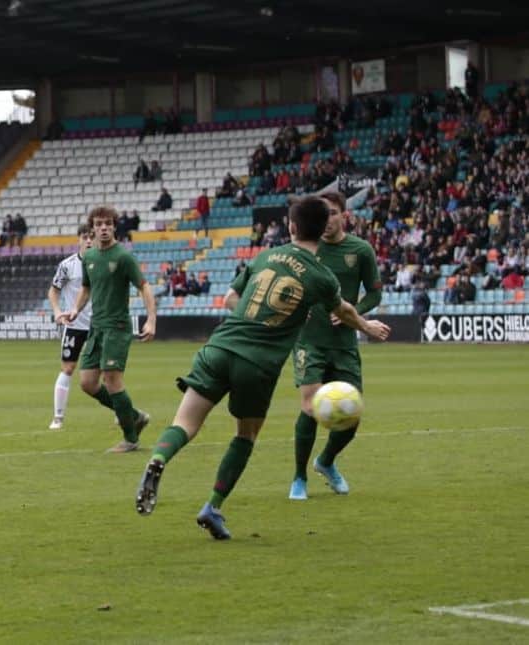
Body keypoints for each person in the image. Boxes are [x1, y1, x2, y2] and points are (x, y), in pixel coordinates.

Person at [134, 196, 390, 539]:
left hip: (219, 347)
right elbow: (343, 310)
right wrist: (367, 326)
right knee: (245, 435)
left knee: (184, 422)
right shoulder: (322, 276)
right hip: (257, 365)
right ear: (321, 228)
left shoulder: (265, 255)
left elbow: (229, 300)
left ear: (291, 227)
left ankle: (159, 460)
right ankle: (213, 506)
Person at [287, 192, 382, 501]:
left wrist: (352, 310)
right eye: (322, 214)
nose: (326, 220)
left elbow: (375, 294)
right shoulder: (305, 250)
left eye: (331, 213)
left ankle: (325, 462)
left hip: (343, 344)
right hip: (308, 341)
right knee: (309, 406)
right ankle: (299, 478)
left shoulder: (361, 250)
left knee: (351, 412)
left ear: (344, 216)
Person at [66, 206, 157, 453]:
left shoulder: (124, 257)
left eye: (108, 223)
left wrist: (151, 319)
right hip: (96, 327)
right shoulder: (91, 258)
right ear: (92, 228)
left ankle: (131, 439)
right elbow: (86, 288)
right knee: (87, 383)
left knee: (112, 378)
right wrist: (75, 310)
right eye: (99, 224)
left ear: (115, 226)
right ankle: (134, 415)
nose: (103, 228)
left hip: (117, 327)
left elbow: (144, 287)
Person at [47, 224, 95, 430]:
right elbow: (53, 291)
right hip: (74, 325)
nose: (89, 241)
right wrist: (58, 311)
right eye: (85, 237)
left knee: (108, 371)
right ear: (79, 239)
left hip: (98, 325)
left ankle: (121, 414)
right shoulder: (67, 265)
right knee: (68, 368)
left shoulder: (102, 263)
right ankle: (58, 418)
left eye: (91, 237)